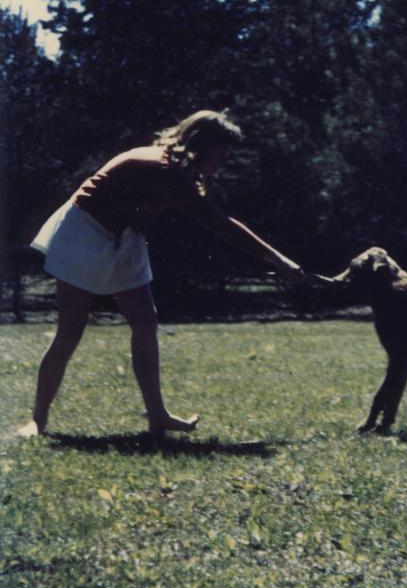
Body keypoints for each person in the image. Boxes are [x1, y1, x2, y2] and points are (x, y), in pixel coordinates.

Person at [19, 110, 304, 439]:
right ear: (202, 145)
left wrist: (277, 259)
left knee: (145, 320)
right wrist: (278, 259)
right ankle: (38, 420)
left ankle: (158, 416)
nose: (224, 161)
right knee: (70, 331)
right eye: (221, 152)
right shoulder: (163, 168)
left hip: (125, 236)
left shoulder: (175, 169)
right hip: (85, 232)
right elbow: (218, 224)